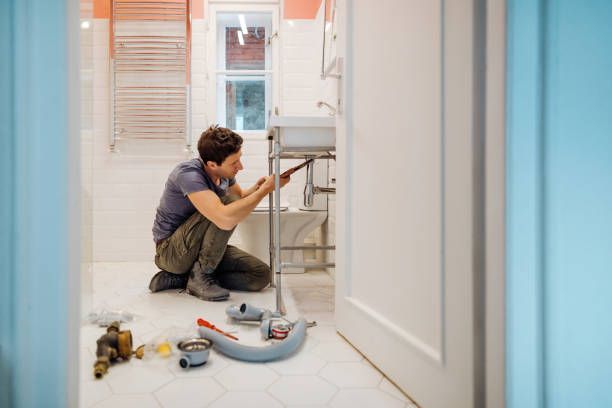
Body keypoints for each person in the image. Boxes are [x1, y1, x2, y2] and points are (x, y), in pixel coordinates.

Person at [148, 125, 290, 301]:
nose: (241, 166)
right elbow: (224, 218)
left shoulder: (224, 173)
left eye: (239, 159)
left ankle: (185, 278)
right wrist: (264, 191)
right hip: (171, 252)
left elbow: (240, 197)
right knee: (227, 205)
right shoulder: (188, 174)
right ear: (212, 164)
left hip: (198, 247)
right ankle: (201, 275)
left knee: (260, 275)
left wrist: (259, 188)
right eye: (234, 163)